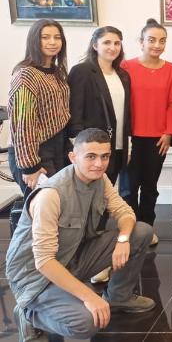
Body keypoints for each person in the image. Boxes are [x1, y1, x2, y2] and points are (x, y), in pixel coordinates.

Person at [6, 128, 155, 341]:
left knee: (140, 232)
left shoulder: (100, 179)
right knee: (88, 321)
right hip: (36, 278)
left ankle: (119, 298)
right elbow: (44, 261)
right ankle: (29, 314)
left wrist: (123, 240)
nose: (99, 164)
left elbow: (125, 212)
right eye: (91, 156)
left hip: (72, 258)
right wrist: (90, 297)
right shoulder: (50, 195)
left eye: (105, 156)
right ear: (73, 157)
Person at [120, 19, 172, 246]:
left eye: (162, 41)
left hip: (158, 138)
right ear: (141, 42)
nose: (157, 45)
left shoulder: (170, 69)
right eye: (152, 40)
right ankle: (129, 230)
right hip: (131, 137)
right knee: (128, 188)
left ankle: (146, 229)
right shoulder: (126, 66)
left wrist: (168, 133)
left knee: (150, 187)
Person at [7, 19, 70, 198]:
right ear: (35, 40)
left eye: (57, 37)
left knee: (61, 204)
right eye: (45, 37)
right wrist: (30, 166)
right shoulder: (26, 75)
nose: (52, 42)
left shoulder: (56, 72)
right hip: (34, 151)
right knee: (44, 206)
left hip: (58, 146)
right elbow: (23, 124)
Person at [68, 26, 131, 186]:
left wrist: (128, 145)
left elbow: (126, 114)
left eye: (117, 43)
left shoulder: (123, 75)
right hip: (91, 149)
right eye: (107, 42)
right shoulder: (82, 71)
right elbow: (75, 112)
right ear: (95, 45)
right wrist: (79, 147)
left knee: (106, 194)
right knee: (88, 194)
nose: (113, 47)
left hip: (117, 147)